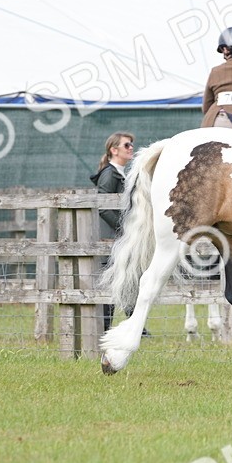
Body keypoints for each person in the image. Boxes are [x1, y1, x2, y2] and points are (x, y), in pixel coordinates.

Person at [91, 132, 135, 332]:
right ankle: (106, 326)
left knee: (127, 279)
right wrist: (123, 228)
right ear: (114, 150)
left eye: (131, 144)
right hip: (110, 238)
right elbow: (103, 206)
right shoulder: (109, 174)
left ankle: (134, 324)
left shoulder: (121, 173)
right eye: (127, 145)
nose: (131, 148)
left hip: (118, 237)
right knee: (110, 282)